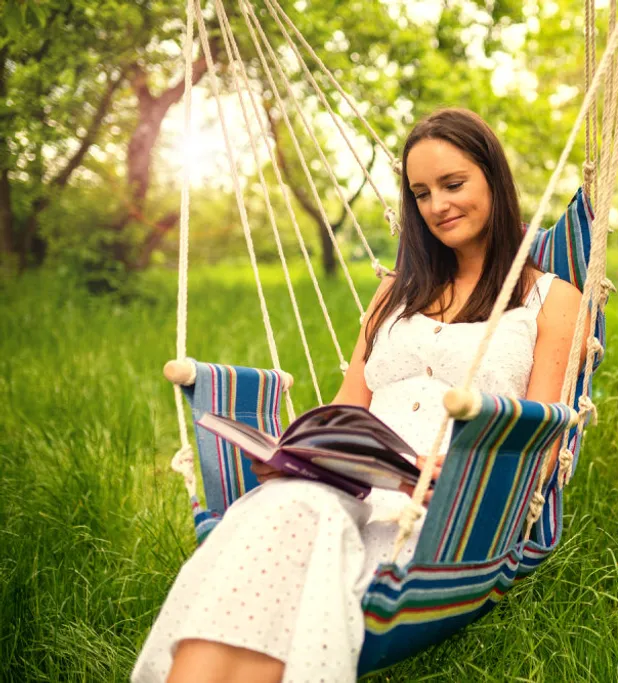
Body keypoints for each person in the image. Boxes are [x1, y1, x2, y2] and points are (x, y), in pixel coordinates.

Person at [132, 108, 584, 683]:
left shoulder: (551, 297)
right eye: (421, 193)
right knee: (276, 509)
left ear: (493, 179)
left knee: (283, 526)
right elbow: (349, 407)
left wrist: (462, 471)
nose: (437, 205)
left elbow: (541, 437)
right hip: (355, 483)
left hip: (450, 511)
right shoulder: (395, 292)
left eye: (453, 184)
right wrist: (296, 453)